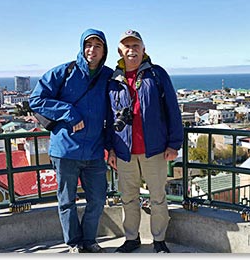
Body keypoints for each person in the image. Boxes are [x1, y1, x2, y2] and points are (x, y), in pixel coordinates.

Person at [29, 28, 113, 253]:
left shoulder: (108, 76)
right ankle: (74, 243)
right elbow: (35, 99)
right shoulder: (64, 72)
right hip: (65, 150)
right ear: (81, 47)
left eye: (97, 45)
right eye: (88, 45)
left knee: (97, 199)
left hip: (95, 151)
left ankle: (89, 240)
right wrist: (69, 112)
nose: (92, 50)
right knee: (67, 201)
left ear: (104, 50)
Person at [106, 29, 183, 253]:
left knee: (158, 197)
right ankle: (132, 238)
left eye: (136, 46)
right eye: (127, 46)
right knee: (128, 197)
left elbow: (172, 110)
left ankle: (159, 240)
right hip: (123, 151)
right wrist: (109, 148)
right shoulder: (112, 79)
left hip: (155, 149)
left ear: (144, 49)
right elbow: (107, 117)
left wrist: (174, 143)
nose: (131, 50)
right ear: (120, 50)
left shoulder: (157, 74)